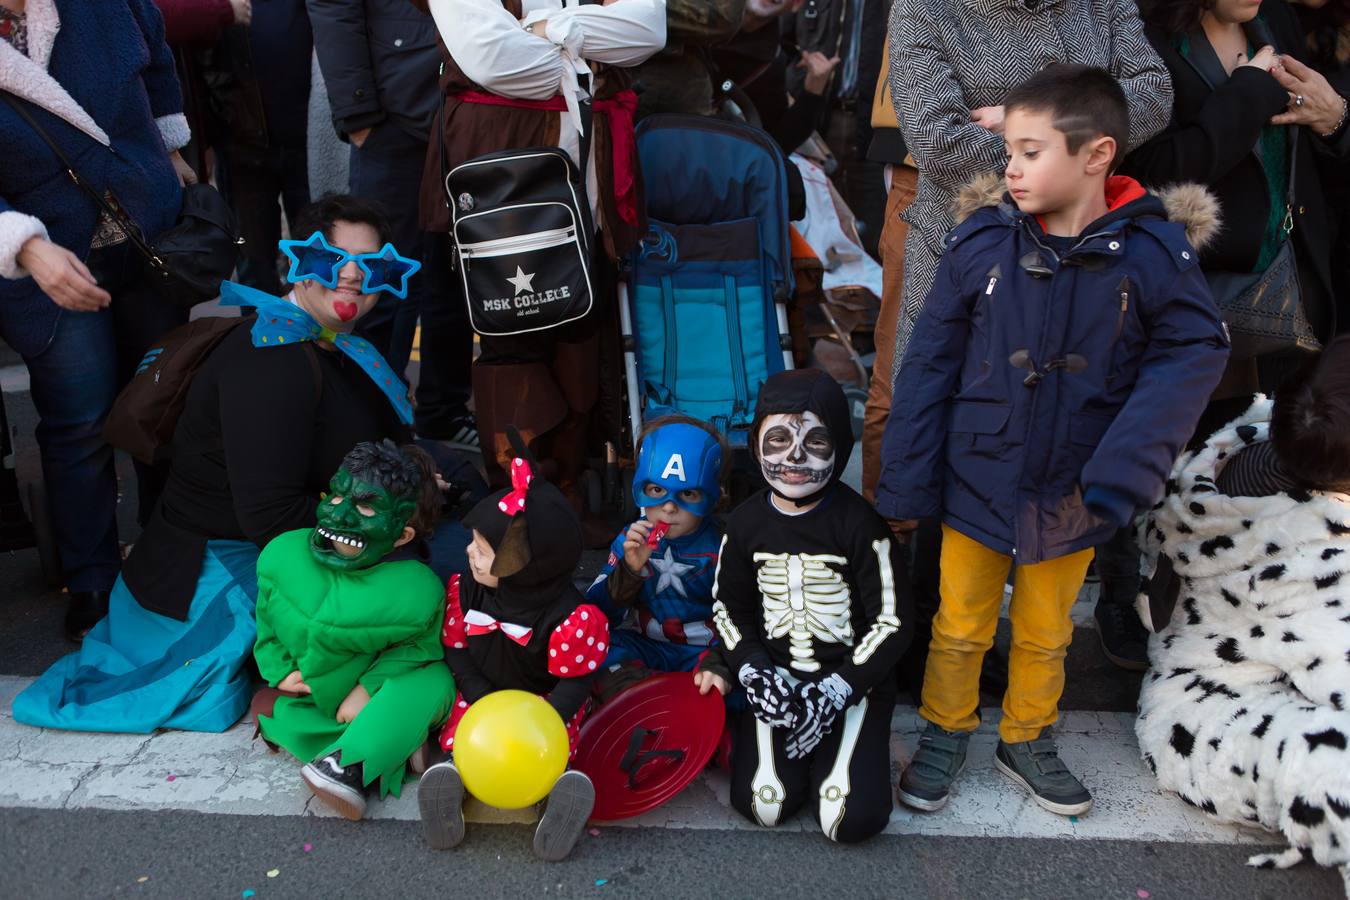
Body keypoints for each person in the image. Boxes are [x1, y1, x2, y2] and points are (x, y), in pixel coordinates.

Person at [875, 66, 1230, 817]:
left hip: (1076, 486)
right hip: (977, 472)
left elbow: (1196, 346)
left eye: (1030, 151)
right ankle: (945, 727)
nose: (1010, 167)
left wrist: (1132, 460)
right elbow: (928, 364)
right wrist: (906, 481)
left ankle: (1027, 736)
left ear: (1097, 154)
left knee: (1044, 630)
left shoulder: (1153, 254)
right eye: (1009, 148)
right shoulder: (980, 243)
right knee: (961, 622)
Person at [11, 195, 425, 734]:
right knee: (410, 603)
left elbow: (388, 446)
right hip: (217, 570)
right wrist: (389, 532)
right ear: (296, 261)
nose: (351, 277)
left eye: (370, 265)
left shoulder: (339, 347)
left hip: (289, 539)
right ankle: (325, 706)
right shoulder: (271, 359)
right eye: (331, 259)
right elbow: (270, 515)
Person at [878, 0, 1176, 672]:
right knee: (951, 420)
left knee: (1091, 414)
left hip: (1090, 245)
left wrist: (1030, 132)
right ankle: (935, 634)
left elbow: (1155, 94)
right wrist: (1073, 138)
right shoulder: (925, 9)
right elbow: (939, 140)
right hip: (969, 244)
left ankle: (1111, 601)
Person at [421, 0, 664, 516]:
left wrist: (550, 30)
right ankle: (520, 504)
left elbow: (647, 30)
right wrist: (581, 64)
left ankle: (571, 492)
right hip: (503, 167)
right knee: (513, 336)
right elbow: (494, 57)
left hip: (589, 167)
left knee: (583, 324)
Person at [0, 0, 194, 639]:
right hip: (41, 255)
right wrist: (24, 245)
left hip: (146, 233)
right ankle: (92, 581)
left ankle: (173, 559)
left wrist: (170, 146)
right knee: (78, 421)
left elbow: (159, 57)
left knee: (162, 402)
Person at [1134, 337, 1350, 870]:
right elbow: (1338, 673)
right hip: (1216, 712)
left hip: (1259, 663)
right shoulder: (1307, 557)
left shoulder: (1264, 442)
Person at [1125, 0, 1350, 437]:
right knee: (1205, 478)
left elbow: (1309, 155)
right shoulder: (1141, 35)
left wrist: (1336, 122)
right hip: (1198, 311)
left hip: (1300, 298)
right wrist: (1248, 93)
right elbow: (1148, 172)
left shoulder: (1273, 17)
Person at [712, 368, 913, 844]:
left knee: (849, 820)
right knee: (765, 804)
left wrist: (839, 687)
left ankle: (841, 748)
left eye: (816, 442)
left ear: (841, 445)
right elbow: (727, 607)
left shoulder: (862, 526)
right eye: (778, 439)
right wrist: (755, 672)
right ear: (756, 440)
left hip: (850, 684)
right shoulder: (743, 525)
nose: (795, 457)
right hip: (776, 679)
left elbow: (894, 620)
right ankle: (802, 754)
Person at [418, 435, 608, 861]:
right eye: (474, 542)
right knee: (465, 734)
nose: (468, 553)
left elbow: (574, 682)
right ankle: (452, 779)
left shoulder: (572, 619)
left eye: (482, 551)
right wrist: (480, 694)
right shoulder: (467, 589)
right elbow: (457, 648)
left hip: (545, 701)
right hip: (482, 691)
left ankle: (554, 796)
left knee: (551, 746)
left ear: (524, 569)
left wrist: (539, 719)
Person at [253, 441, 454, 821]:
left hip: (369, 696)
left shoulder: (417, 589)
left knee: (435, 680)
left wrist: (367, 689)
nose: (339, 514)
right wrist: (279, 669)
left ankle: (348, 766)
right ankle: (395, 739)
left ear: (402, 535)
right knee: (268, 707)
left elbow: (418, 650)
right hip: (315, 699)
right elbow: (265, 618)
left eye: (363, 507)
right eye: (335, 495)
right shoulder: (282, 555)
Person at [311, 0, 478, 450]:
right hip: (392, 116)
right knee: (379, 282)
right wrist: (360, 115)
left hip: (469, 107)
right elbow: (334, 8)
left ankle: (441, 412)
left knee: (459, 274)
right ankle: (369, 422)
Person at [586, 415, 732, 699]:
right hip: (647, 646)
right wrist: (629, 569)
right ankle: (641, 698)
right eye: (656, 490)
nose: (668, 507)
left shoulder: (723, 546)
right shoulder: (631, 538)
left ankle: (685, 700)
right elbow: (597, 615)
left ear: (713, 496)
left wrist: (721, 663)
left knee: (738, 677)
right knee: (591, 645)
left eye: (687, 494)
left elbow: (745, 620)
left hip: (704, 653)